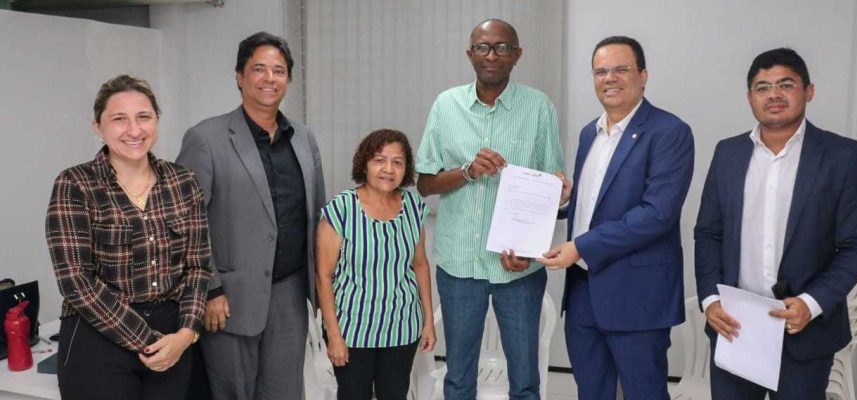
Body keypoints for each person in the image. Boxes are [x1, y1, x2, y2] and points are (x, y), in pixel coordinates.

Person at [694, 47, 857, 399]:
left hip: (804, 329)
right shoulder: (728, 153)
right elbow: (708, 234)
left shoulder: (843, 156)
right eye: (762, 87)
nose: (773, 94)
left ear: (808, 91)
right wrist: (711, 299)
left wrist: (812, 302)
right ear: (750, 97)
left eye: (786, 84)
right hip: (736, 325)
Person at [416, 18, 567, 399]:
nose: (492, 55)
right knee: (458, 377)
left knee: (525, 380)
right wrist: (467, 171)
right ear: (470, 54)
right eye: (483, 47)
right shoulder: (446, 105)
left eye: (502, 47)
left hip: (518, 267)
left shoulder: (539, 108)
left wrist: (532, 246)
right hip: (460, 264)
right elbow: (424, 183)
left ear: (517, 54)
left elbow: (551, 188)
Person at [538, 36, 694, 400]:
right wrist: (567, 199)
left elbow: (656, 214)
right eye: (601, 71)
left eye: (621, 69)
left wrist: (580, 247)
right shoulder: (589, 133)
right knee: (591, 392)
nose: (610, 78)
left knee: (644, 393)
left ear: (643, 76)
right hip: (583, 294)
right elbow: (601, 203)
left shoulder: (669, 132)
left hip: (637, 296)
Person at [176, 31, 325, 400]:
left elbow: (316, 214)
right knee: (232, 392)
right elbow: (184, 222)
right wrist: (210, 289)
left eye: (279, 70)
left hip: (289, 294)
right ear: (239, 77)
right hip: (228, 299)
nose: (269, 78)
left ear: (289, 79)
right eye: (258, 69)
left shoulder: (303, 138)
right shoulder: (206, 138)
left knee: (285, 392)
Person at [45, 75, 211, 399]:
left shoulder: (183, 181)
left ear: (156, 120)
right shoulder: (75, 184)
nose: (134, 130)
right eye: (119, 119)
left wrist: (186, 333)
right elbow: (75, 281)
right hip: (98, 332)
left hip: (171, 336)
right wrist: (146, 340)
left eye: (143, 117)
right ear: (98, 126)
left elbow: (198, 267)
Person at [316, 129, 436, 400]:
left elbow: (420, 265)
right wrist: (333, 334)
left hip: (402, 326)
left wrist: (428, 321)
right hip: (352, 329)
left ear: (406, 168)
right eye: (380, 160)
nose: (388, 169)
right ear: (365, 165)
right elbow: (324, 276)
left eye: (397, 162)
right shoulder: (341, 209)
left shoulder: (413, 207)